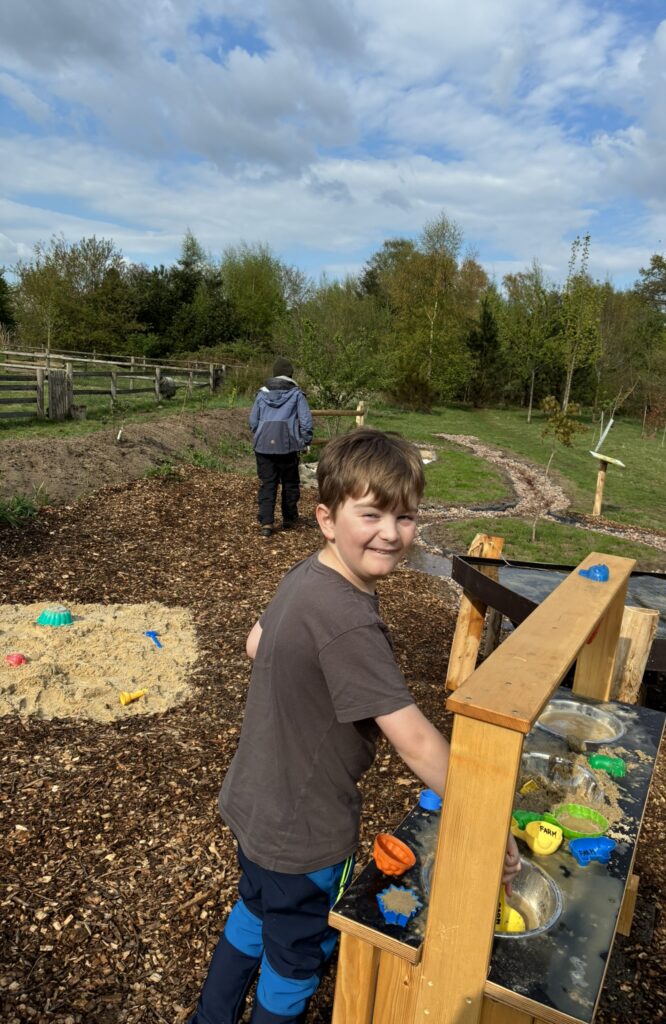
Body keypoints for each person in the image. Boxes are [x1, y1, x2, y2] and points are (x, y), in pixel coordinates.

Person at [188, 427, 520, 1024]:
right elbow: (414, 739)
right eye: (372, 514)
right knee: (295, 961)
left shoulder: (308, 577)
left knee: (255, 912)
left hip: (253, 804)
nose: (391, 534)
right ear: (326, 518)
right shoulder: (348, 623)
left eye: (406, 517)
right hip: (306, 832)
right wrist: (489, 823)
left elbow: (254, 643)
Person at [249, 357, 313, 538]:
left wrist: (262, 433)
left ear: (274, 374)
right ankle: (289, 518)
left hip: (263, 446)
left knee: (267, 484)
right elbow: (306, 422)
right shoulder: (297, 394)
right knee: (290, 483)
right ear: (290, 374)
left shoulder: (261, 394)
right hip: (289, 445)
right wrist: (306, 440)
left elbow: (253, 421)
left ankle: (267, 522)